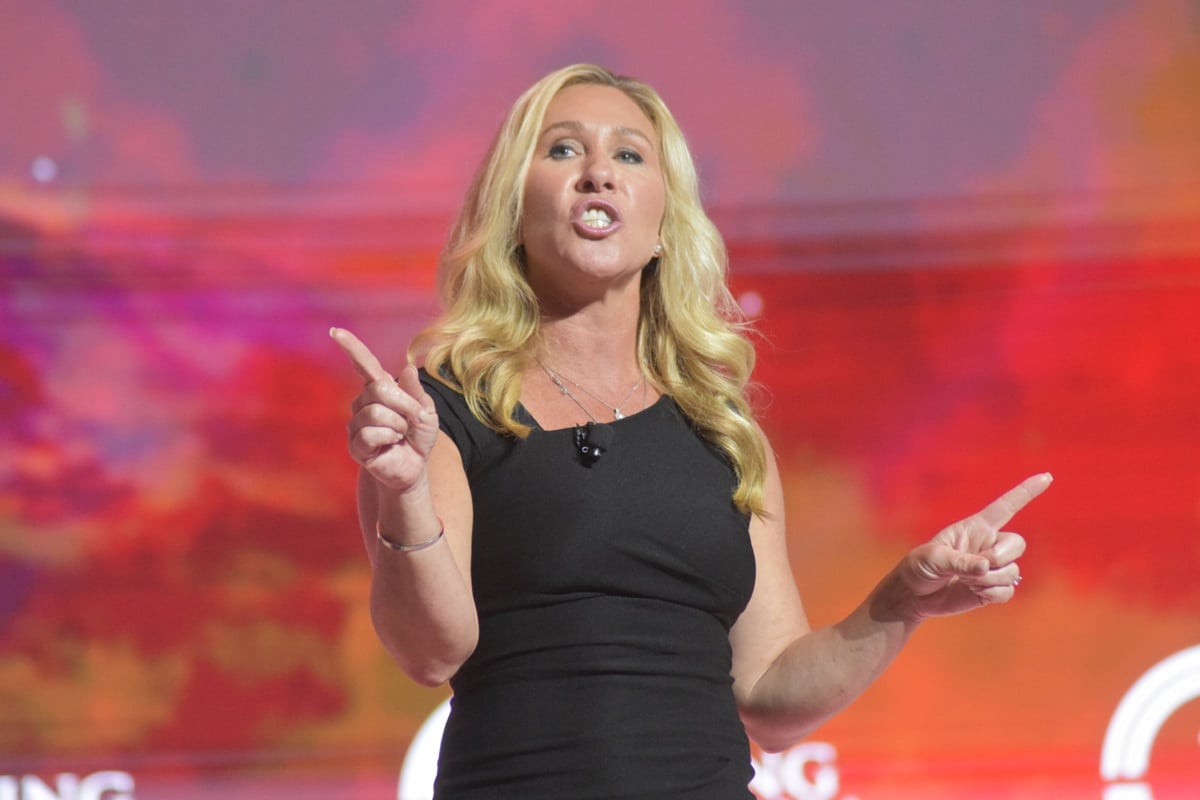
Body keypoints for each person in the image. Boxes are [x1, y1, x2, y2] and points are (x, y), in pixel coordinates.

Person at [331, 63, 1052, 799]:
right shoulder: (444, 414)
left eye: (629, 155)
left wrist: (903, 600)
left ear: (664, 228)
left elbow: (771, 696)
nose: (598, 174)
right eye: (563, 150)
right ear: (514, 209)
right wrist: (406, 490)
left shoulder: (723, 434)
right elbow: (431, 653)